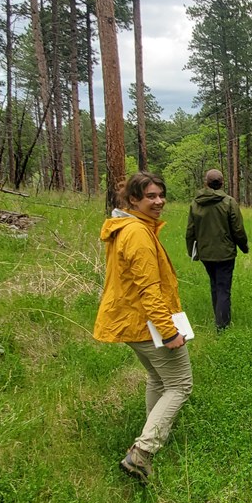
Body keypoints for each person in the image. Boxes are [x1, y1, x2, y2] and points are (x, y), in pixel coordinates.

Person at [94, 171, 192, 484]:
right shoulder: (136, 232)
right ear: (133, 199)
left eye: (161, 195)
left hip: (133, 322)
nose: (159, 201)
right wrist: (169, 331)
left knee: (157, 377)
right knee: (180, 384)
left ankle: (152, 433)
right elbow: (148, 289)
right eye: (150, 196)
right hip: (146, 323)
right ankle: (143, 452)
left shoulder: (129, 226)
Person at [185, 169, 249, 332]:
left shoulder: (195, 203)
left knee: (215, 285)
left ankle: (219, 318)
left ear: (205, 183)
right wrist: (244, 247)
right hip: (225, 253)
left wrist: (192, 251)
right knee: (223, 288)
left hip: (206, 253)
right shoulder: (229, 202)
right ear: (222, 183)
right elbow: (238, 229)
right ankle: (222, 325)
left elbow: (190, 231)